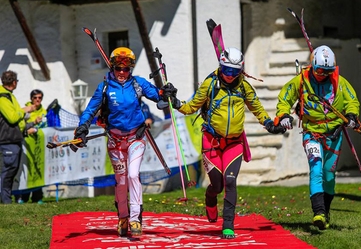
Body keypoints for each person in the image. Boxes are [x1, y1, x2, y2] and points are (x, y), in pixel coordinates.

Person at [159, 47, 285, 239]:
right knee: (217, 186)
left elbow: (258, 109)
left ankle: (228, 225)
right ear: (220, 66)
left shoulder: (244, 87)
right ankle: (210, 199)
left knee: (231, 181)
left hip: (234, 143)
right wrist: (175, 102)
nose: (229, 75)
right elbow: (190, 107)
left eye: (234, 72)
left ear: (240, 71)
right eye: (226, 70)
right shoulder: (210, 84)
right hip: (212, 142)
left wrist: (269, 124)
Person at [74, 47, 167, 237]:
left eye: (126, 69)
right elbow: (90, 110)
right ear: (112, 67)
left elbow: (158, 95)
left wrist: (166, 93)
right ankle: (123, 217)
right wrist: (82, 128)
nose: (122, 73)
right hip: (115, 141)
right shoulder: (105, 87)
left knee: (133, 175)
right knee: (121, 181)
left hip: (135, 138)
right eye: (118, 69)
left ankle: (135, 219)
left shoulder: (138, 84)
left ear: (131, 69)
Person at [275, 45, 360, 230]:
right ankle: (318, 213)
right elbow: (284, 99)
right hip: (311, 133)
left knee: (329, 175)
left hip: (334, 134)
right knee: (316, 167)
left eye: (328, 71)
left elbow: (352, 100)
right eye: (320, 70)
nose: (323, 74)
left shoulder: (340, 82)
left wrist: (352, 116)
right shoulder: (300, 81)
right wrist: (284, 115)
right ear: (312, 66)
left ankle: (326, 211)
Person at [0, 71, 35, 204]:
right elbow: (12, 117)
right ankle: (5, 200)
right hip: (7, 139)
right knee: (8, 170)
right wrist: (25, 110)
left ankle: (6, 199)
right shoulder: (3, 97)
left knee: (12, 169)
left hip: (13, 138)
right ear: (14, 82)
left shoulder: (8, 96)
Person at [16, 89, 47, 204]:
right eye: (35, 97)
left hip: (39, 146)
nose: (37, 100)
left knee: (38, 170)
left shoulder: (44, 111)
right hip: (26, 145)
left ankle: (37, 197)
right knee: (26, 173)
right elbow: (20, 126)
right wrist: (32, 124)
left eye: (40, 97)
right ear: (31, 99)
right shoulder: (26, 110)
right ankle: (23, 197)